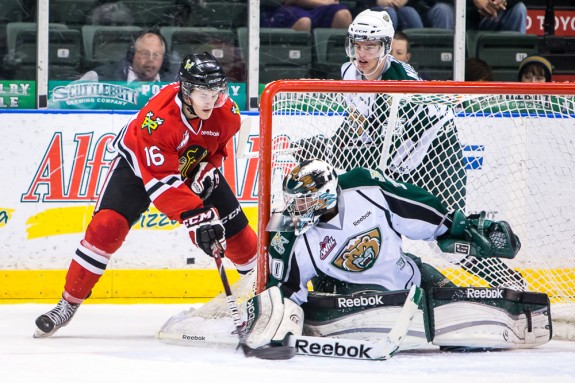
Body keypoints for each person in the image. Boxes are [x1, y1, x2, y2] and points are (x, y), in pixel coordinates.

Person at [34, 52, 258, 338]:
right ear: (186, 90)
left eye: (217, 92)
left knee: (242, 240)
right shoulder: (159, 119)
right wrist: (197, 217)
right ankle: (67, 304)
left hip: (191, 165)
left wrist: (206, 170)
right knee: (106, 228)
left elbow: (217, 150)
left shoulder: (227, 114)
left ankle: (263, 300)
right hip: (140, 166)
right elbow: (161, 182)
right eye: (204, 93)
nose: (211, 101)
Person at [242, 159, 551, 351]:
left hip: (410, 277)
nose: (295, 209)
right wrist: (275, 316)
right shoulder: (288, 236)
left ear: (325, 196)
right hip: (352, 296)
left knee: (462, 312)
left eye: (303, 201)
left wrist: (459, 226)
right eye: (293, 202)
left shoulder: (366, 189)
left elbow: (424, 214)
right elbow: (285, 290)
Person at [79, 29, 178, 83]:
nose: (150, 59)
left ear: (164, 59)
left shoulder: (174, 84)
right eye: (145, 53)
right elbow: (66, 99)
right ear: (132, 54)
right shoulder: (100, 77)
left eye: (156, 55)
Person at [404, 0, 527, 33]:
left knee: (519, 9)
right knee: (443, 10)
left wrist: (503, 1)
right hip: (455, 15)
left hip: (492, 14)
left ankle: (516, 63)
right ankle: (444, 65)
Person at [260, 0, 352, 32]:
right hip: (279, 9)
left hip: (320, 7)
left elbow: (332, 1)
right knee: (303, 21)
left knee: (343, 15)